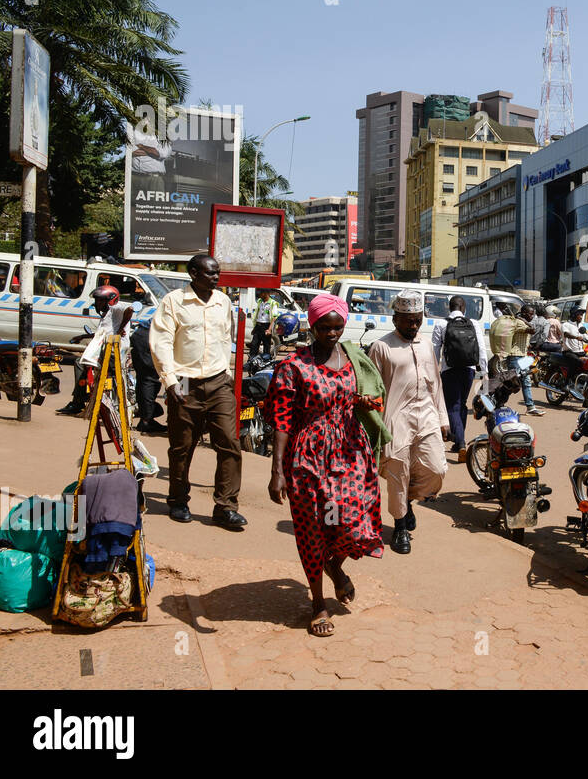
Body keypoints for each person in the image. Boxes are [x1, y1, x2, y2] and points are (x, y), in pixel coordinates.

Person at [266, 294, 387, 637]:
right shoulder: (295, 366)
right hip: (308, 459)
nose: (332, 333)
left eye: (338, 327)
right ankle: (318, 603)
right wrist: (277, 472)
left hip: (349, 454)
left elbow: (359, 395)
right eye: (325, 327)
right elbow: (282, 420)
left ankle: (334, 565)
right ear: (313, 325)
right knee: (312, 532)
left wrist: (361, 400)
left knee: (352, 521)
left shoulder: (351, 359)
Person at [149, 253, 246, 530]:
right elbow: (162, 342)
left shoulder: (223, 301)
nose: (216, 277)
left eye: (217, 272)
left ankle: (226, 507)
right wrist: (170, 381)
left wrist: (225, 374)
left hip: (218, 381)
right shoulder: (174, 302)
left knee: (229, 443)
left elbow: (226, 337)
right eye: (210, 273)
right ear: (193, 273)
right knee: (182, 446)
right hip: (184, 381)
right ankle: (178, 501)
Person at [368, 290, 452, 554]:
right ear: (396, 319)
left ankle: (409, 502)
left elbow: (436, 383)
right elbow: (372, 390)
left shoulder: (427, 345)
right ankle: (400, 524)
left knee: (437, 469)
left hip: (426, 416)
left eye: (417, 319)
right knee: (397, 474)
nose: (413, 325)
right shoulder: (381, 347)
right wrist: (374, 429)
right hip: (396, 420)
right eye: (408, 320)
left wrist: (443, 418)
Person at [58, 285, 133, 416]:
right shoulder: (108, 314)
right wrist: (83, 337)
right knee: (83, 366)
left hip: (114, 351)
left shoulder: (116, 308)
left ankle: (79, 402)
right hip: (107, 349)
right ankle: (81, 401)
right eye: (97, 300)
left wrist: (121, 329)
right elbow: (103, 333)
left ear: (110, 299)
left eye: (101, 300)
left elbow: (130, 309)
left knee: (80, 364)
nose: (98, 303)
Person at [431, 295, 487, 464]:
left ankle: (461, 443)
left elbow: (435, 350)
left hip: (449, 370)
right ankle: (457, 441)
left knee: (452, 406)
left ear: (449, 308)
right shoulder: (474, 323)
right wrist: (484, 371)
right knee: (462, 404)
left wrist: (434, 371)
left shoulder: (441, 324)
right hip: (469, 370)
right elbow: (481, 348)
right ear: (464, 308)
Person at [490, 304, 544, 416]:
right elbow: (532, 330)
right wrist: (521, 319)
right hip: (515, 357)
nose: (532, 316)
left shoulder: (519, 321)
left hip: (522, 356)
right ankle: (496, 402)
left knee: (523, 381)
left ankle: (529, 407)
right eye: (530, 313)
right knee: (513, 383)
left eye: (533, 314)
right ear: (523, 313)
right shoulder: (519, 322)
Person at [130, 315, 166, 434]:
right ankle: (146, 421)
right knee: (150, 378)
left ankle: (145, 419)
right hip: (149, 336)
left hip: (143, 335)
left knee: (145, 377)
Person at [559, 307, 587, 384]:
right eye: (579, 314)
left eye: (582, 315)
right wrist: (576, 337)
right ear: (574, 315)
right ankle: (567, 383)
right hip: (569, 352)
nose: (581, 316)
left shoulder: (581, 326)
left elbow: (586, 337)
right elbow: (566, 334)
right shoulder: (566, 325)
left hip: (580, 352)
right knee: (578, 362)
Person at [251, 290, 279, 357]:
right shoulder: (260, 301)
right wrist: (254, 327)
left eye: (261, 293)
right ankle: (251, 361)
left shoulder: (272, 303)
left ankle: (265, 362)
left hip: (266, 326)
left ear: (266, 293)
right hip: (258, 325)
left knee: (266, 346)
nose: (260, 295)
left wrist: (269, 329)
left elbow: (274, 317)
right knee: (254, 345)